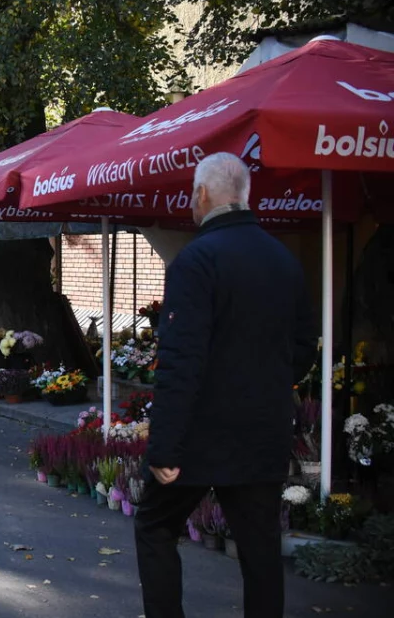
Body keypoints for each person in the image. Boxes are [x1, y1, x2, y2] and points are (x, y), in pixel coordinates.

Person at [134, 153, 317, 618]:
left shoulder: (195, 261)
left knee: (155, 527)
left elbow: (181, 360)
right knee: (260, 552)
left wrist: (165, 448)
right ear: (244, 197)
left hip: (200, 435)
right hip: (263, 430)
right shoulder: (284, 260)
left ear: (202, 195)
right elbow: (302, 349)